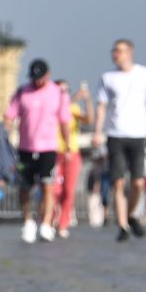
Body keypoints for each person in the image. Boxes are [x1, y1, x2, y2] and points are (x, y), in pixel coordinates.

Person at [95, 39, 146, 243]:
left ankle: (131, 215)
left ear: (130, 52)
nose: (116, 54)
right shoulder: (107, 77)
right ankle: (122, 225)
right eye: (114, 51)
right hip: (115, 134)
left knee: (138, 183)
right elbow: (101, 107)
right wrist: (97, 131)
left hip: (138, 134)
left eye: (120, 51)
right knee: (118, 182)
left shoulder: (144, 74)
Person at [6, 59, 71, 243]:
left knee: (47, 186)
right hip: (25, 147)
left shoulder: (58, 93)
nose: (37, 82)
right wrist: (7, 134)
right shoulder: (22, 92)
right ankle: (27, 221)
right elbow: (9, 116)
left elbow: (65, 120)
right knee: (24, 187)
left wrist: (67, 145)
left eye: (40, 78)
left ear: (48, 75)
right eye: (34, 78)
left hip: (48, 148)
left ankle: (46, 223)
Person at [54, 85, 91, 238]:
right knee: (55, 190)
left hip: (72, 153)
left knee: (69, 190)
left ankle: (63, 223)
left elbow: (88, 120)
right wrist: (75, 97)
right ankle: (50, 220)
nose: (64, 94)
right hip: (55, 152)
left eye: (66, 91)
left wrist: (87, 100)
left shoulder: (73, 108)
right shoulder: (51, 106)